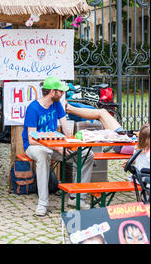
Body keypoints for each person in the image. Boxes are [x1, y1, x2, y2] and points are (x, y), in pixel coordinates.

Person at [22, 76, 94, 216]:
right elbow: (31, 139)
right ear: (53, 92)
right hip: (34, 147)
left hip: (55, 145)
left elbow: (66, 131)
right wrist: (57, 147)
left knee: (87, 155)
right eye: (61, 92)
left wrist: (70, 144)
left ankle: (77, 198)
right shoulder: (33, 108)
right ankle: (43, 203)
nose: (63, 94)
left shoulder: (57, 104)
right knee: (43, 155)